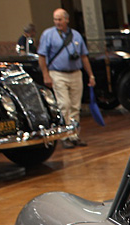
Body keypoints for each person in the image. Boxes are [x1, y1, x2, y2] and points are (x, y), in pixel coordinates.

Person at [38, 8, 95, 148]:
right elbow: (42, 56)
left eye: (60, 19)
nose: (57, 22)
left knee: (75, 106)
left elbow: (83, 56)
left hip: (75, 73)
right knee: (64, 105)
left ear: (67, 20)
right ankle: (65, 136)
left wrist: (90, 75)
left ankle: (74, 134)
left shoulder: (76, 35)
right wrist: (46, 75)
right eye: (55, 19)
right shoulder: (48, 35)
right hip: (57, 74)